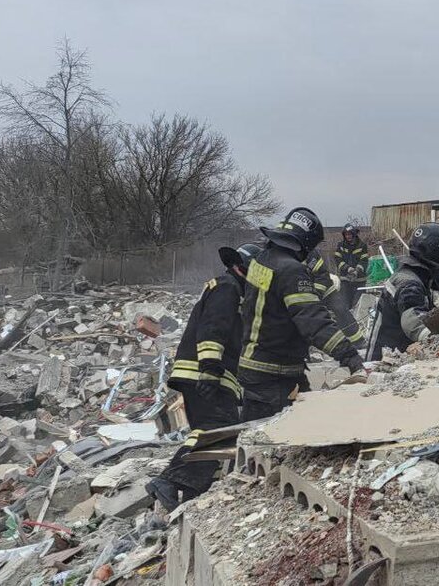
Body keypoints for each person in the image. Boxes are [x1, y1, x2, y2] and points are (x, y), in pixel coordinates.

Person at [145, 242, 258, 511]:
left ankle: (190, 490)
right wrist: (209, 369)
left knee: (210, 430)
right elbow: (213, 328)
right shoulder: (227, 288)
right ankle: (170, 481)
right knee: (217, 429)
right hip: (204, 373)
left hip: (203, 373)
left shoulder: (229, 288)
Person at [237, 207, 366, 421]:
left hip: (256, 367)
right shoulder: (291, 270)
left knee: (259, 435)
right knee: (278, 443)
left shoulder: (262, 261)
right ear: (305, 242)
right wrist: (350, 357)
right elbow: (313, 322)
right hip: (275, 374)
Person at [366, 223, 439, 361]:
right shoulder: (409, 283)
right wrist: (438, 343)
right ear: (434, 252)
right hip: (385, 361)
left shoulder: (416, 275)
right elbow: (412, 322)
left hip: (397, 353)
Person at [333, 224, 369, 309]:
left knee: (358, 305)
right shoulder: (341, 246)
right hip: (345, 280)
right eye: (346, 234)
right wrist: (347, 268)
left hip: (360, 280)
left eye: (349, 234)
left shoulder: (362, 246)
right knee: (345, 305)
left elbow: (364, 261)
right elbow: (337, 259)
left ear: (354, 234)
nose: (348, 236)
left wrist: (357, 270)